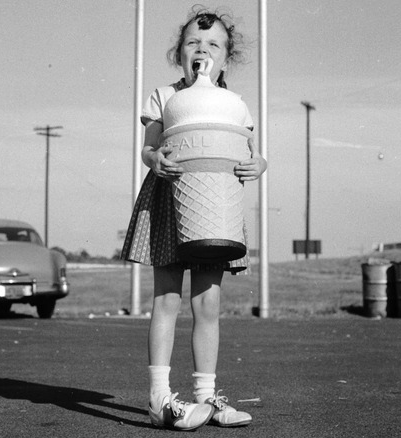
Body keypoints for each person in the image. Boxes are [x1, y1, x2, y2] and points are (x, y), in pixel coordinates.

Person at [121, 6, 267, 431]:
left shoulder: (234, 104)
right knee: (168, 297)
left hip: (215, 209)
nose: (202, 50)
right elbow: (149, 147)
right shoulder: (165, 97)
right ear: (179, 53)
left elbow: (247, 150)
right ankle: (159, 397)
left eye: (213, 45)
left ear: (226, 58)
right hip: (170, 196)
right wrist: (155, 158)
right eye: (192, 43)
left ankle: (207, 396)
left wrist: (260, 164)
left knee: (208, 302)